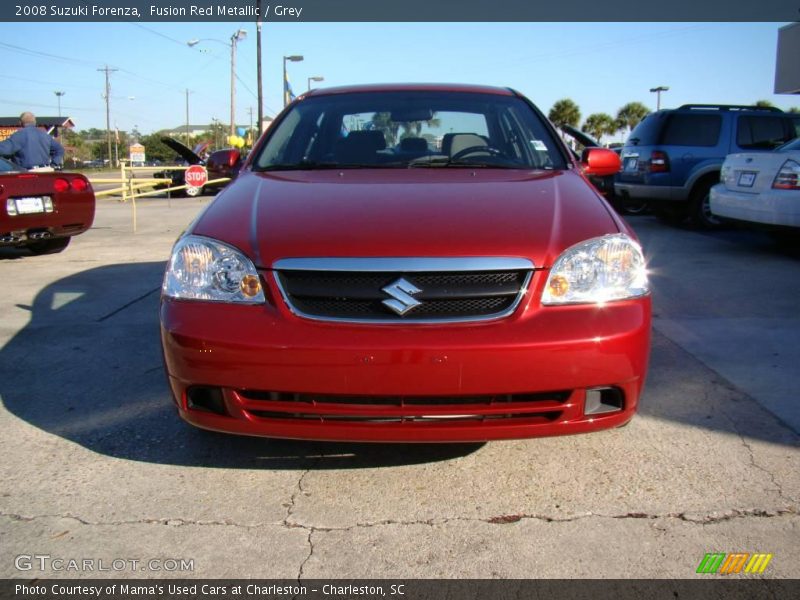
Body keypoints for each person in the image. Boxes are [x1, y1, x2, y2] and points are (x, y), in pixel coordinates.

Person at [0, 112, 64, 171]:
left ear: (20, 122)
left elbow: (3, 150)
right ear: (35, 122)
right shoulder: (45, 135)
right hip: (45, 172)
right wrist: (54, 164)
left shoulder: (19, 136)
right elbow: (59, 149)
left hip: (26, 174)